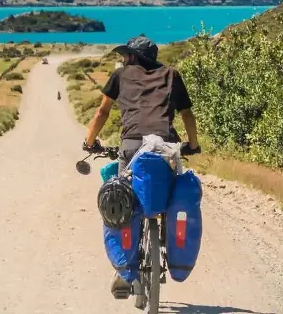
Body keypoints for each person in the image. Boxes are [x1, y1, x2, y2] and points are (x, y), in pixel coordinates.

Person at [83, 35, 200, 298]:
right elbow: (187, 114)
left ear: (133, 57)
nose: (123, 60)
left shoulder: (120, 75)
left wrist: (90, 142)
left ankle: (124, 269)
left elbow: (102, 112)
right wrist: (193, 144)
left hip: (132, 146)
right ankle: (167, 238)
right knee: (170, 193)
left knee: (124, 202)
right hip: (165, 146)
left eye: (125, 55)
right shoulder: (172, 74)